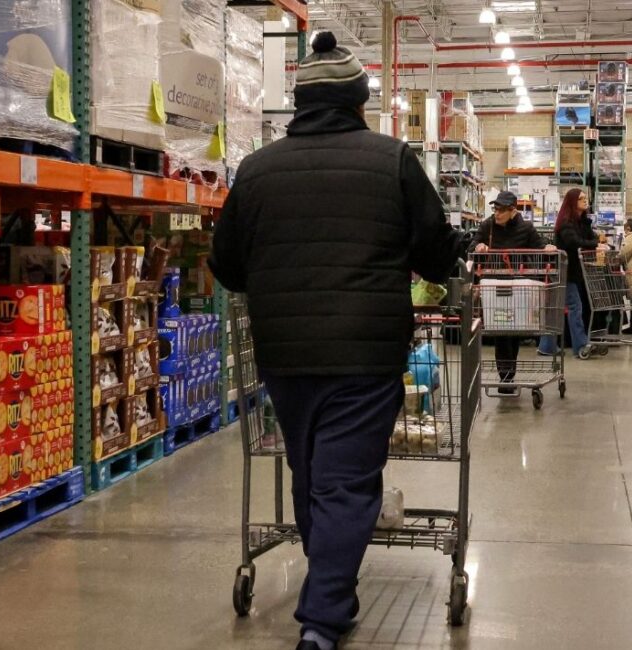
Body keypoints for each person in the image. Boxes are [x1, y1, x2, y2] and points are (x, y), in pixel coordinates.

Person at [208, 32, 464, 650]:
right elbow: (436, 257)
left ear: (298, 103)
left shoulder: (257, 169)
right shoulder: (393, 160)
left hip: (285, 354)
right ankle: (320, 622)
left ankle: (334, 599)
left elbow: (225, 263)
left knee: (310, 472)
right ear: (357, 103)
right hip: (365, 351)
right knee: (345, 483)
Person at [471, 190, 556, 393]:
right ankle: (506, 377)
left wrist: (548, 248)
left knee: (513, 331)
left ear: (513, 211)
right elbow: (473, 244)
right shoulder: (487, 225)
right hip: (494, 286)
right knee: (501, 330)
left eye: (501, 210)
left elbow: (540, 245)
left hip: (518, 286)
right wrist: (479, 246)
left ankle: (508, 374)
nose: (497, 213)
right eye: (495, 209)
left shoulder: (525, 228)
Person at [552, 188, 597, 358]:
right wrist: (593, 243)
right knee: (574, 307)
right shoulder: (565, 222)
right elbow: (574, 242)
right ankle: (581, 346)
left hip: (572, 271)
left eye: (586, 198)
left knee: (554, 309)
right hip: (565, 271)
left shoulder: (580, 222)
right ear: (572, 202)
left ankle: (546, 346)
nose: (585, 201)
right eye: (581, 199)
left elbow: (590, 238)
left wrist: (587, 225)